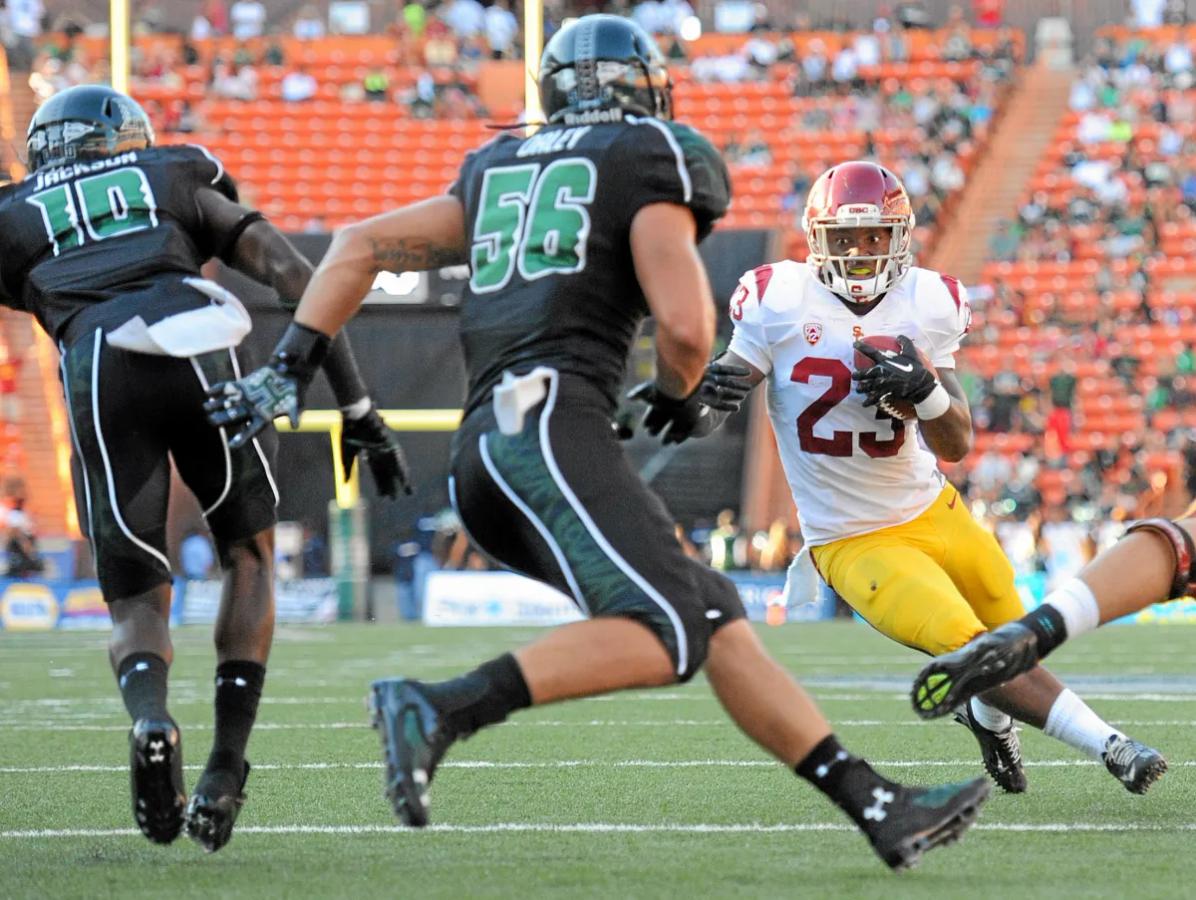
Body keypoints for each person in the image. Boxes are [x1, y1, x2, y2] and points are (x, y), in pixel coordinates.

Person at [207, 16, 989, 871]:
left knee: (715, 614)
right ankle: (439, 707)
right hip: (551, 428)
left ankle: (874, 804)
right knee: (668, 627)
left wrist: (291, 366)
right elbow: (688, 328)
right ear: (642, 90)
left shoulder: (498, 168)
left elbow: (354, 245)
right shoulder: (645, 155)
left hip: (487, 451)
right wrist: (681, 391)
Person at [0, 85, 411, 852]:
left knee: (135, 599)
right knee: (248, 555)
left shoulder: (15, 214)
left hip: (97, 361)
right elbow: (298, 276)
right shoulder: (173, 170)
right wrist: (356, 406)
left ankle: (152, 716)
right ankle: (224, 766)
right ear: (125, 136)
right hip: (199, 335)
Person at [689, 161, 1165, 795]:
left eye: (875, 237)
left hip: (934, 511)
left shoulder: (929, 301)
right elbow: (705, 417)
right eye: (845, 238)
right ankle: (1112, 746)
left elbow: (957, 442)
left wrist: (926, 395)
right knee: (974, 649)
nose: (860, 253)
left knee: (1018, 643)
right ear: (816, 239)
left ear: (901, 236)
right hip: (854, 539)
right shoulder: (777, 300)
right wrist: (697, 400)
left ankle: (989, 720)